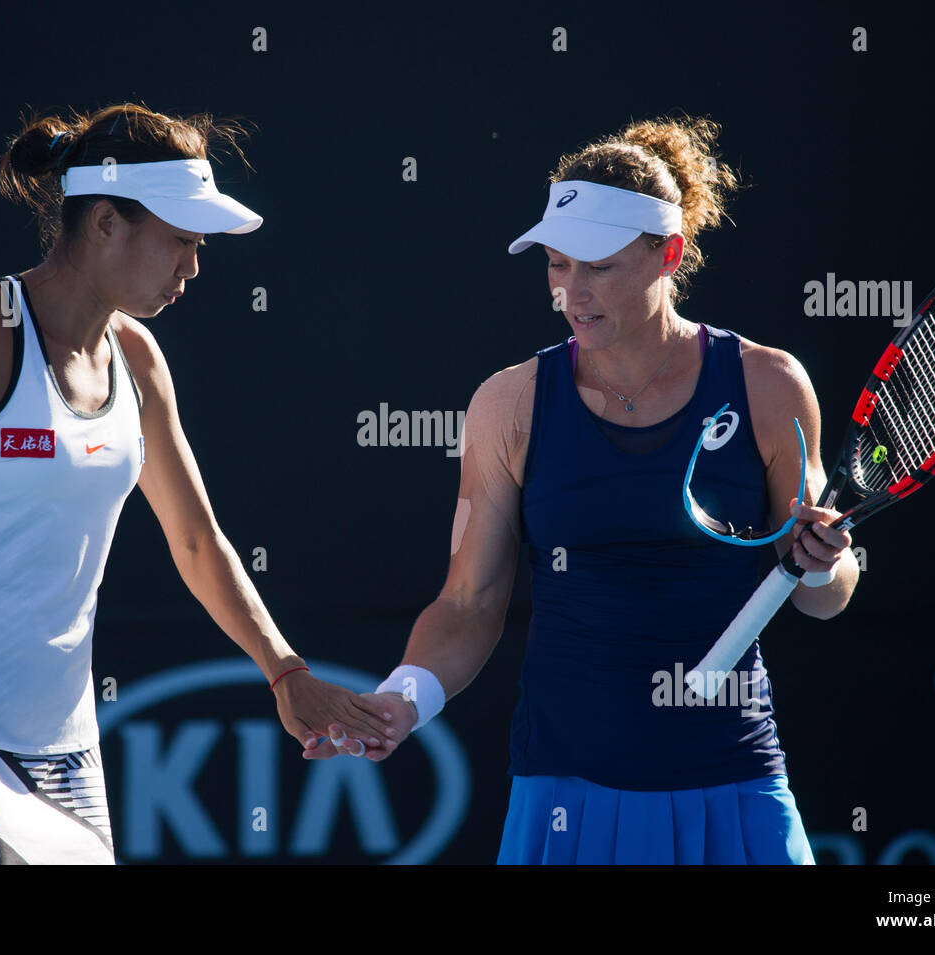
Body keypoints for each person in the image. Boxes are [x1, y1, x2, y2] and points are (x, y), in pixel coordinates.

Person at [0, 103, 393, 865]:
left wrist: (286, 673)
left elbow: (197, 539)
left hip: (69, 753)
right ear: (104, 224)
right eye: (181, 242)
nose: (194, 267)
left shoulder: (139, 357)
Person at [306, 115, 859, 865]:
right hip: (566, 796)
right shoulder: (508, 404)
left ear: (670, 254)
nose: (571, 291)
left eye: (597, 266)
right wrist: (404, 697)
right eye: (557, 265)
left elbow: (822, 592)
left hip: (733, 779)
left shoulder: (769, 384)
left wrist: (823, 560)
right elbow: (468, 604)